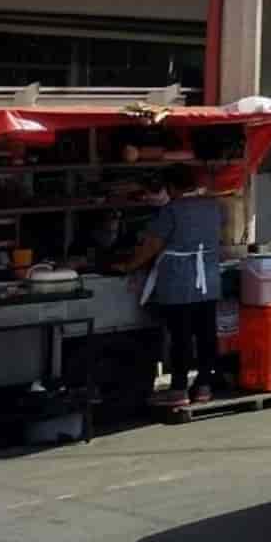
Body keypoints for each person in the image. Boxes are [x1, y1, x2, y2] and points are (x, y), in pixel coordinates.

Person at [114, 164, 222, 407]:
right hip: (209, 278)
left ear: (171, 187)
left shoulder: (171, 210)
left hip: (179, 280)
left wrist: (128, 266)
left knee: (181, 336)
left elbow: (151, 246)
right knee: (206, 334)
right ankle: (204, 386)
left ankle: (179, 389)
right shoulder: (212, 206)